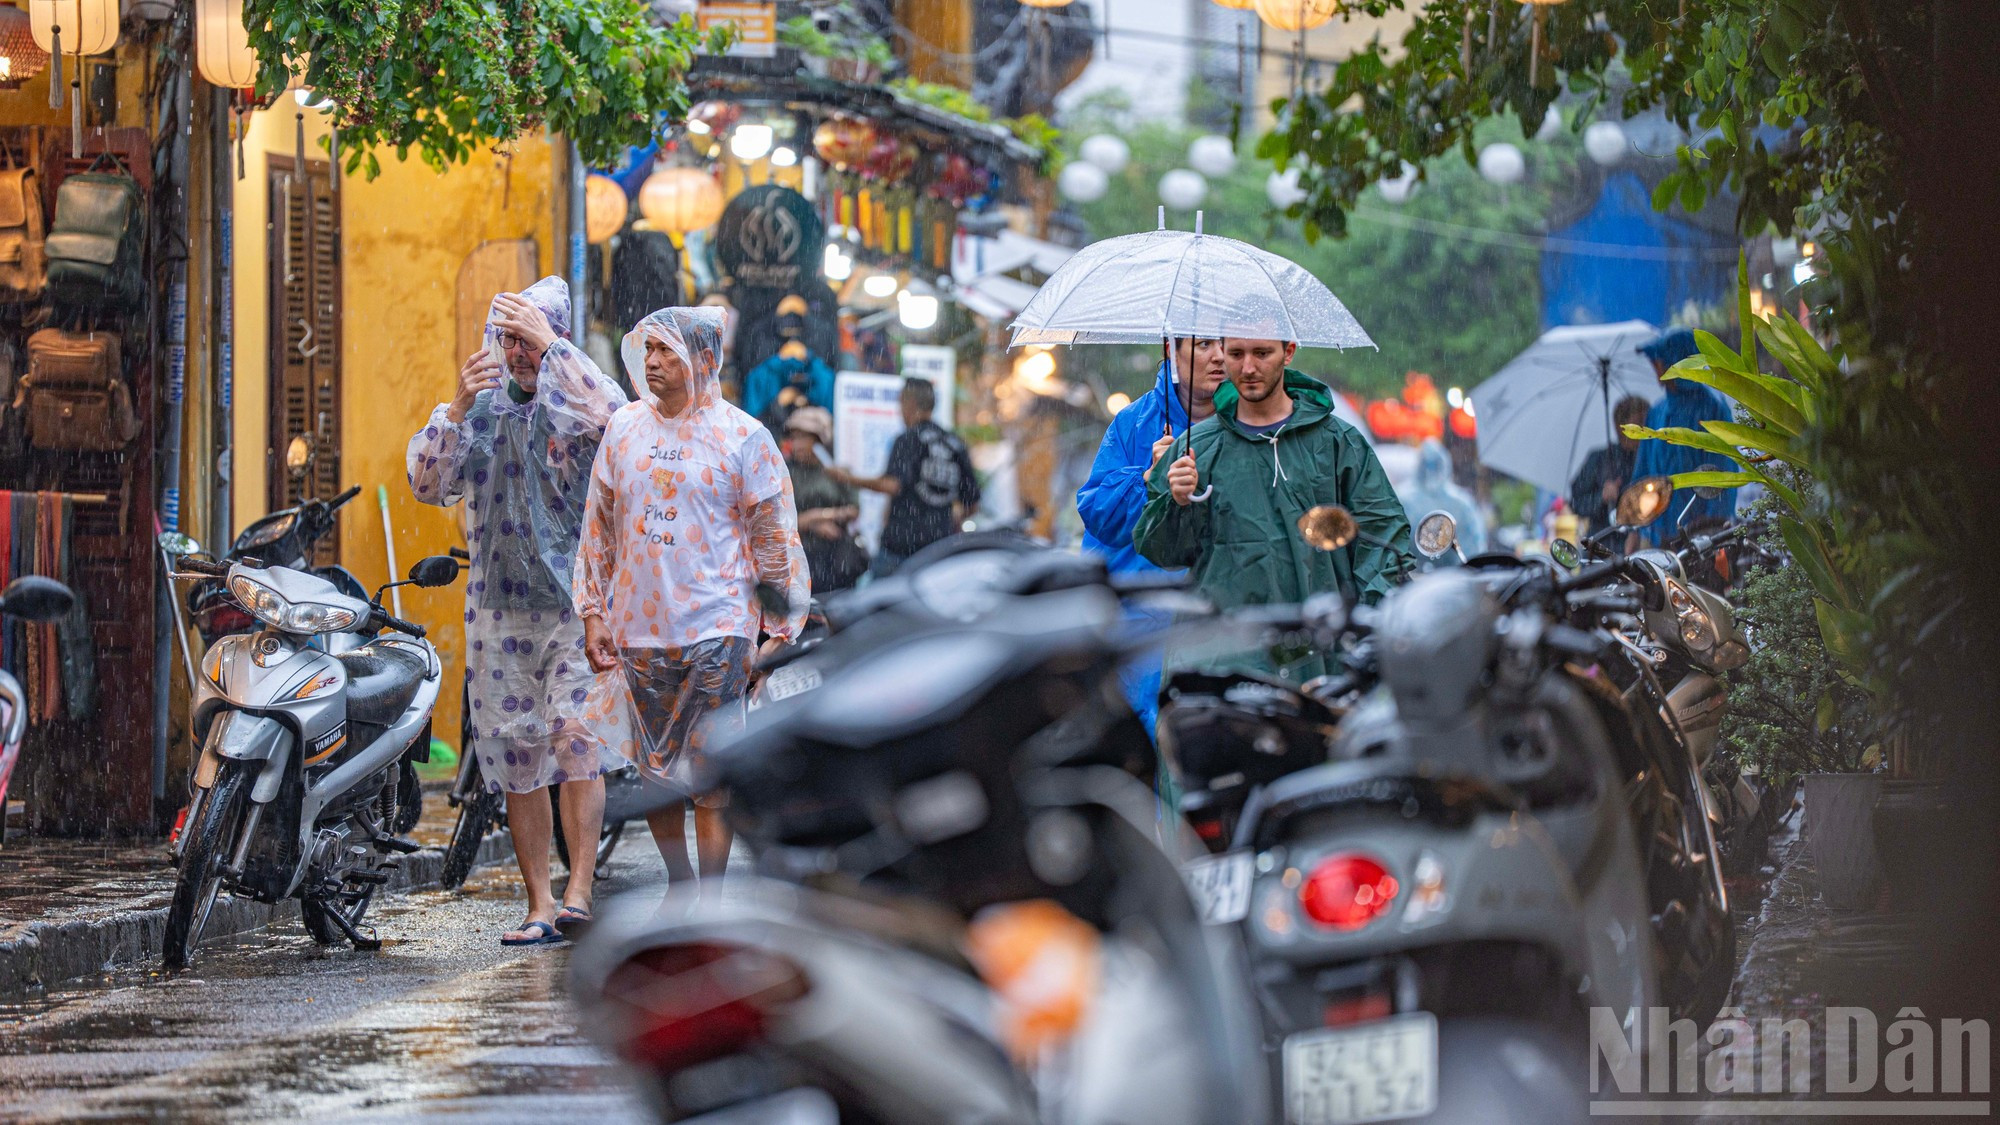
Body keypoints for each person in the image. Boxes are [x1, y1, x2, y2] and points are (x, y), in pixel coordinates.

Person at [406, 275, 631, 947]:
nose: (518, 352)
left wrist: (554, 351)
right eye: (509, 339)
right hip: (499, 616)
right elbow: (425, 482)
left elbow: (617, 420)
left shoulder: (579, 407)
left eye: (529, 339)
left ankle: (579, 889)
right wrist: (456, 401)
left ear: (556, 339)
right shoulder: (483, 412)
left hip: (576, 611)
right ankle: (538, 902)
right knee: (518, 757)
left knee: (576, 743)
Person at [573, 306, 808, 892]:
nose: (651, 362)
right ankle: (680, 889)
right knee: (657, 772)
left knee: (709, 771)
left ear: (704, 361)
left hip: (717, 626)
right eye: (647, 349)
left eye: (666, 352)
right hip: (640, 629)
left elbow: (773, 540)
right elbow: (599, 527)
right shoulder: (625, 428)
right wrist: (594, 610)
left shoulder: (743, 437)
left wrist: (776, 631)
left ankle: (712, 896)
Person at [1136, 336, 1415, 682]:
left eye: (1262, 353)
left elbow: (1384, 540)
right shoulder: (1195, 450)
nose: (1248, 367)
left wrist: (1369, 632)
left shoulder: (1338, 443)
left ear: (1289, 352)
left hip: (1322, 659)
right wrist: (1174, 502)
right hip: (1222, 662)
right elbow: (1163, 552)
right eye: (1236, 354)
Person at [1076, 338, 1226, 733]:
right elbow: (1098, 514)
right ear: (1171, 351)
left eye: (1228, 344)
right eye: (1205, 344)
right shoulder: (1134, 422)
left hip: (1214, 618)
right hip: (1140, 618)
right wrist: (1148, 478)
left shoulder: (1248, 428)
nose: (1219, 356)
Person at [831, 378, 980, 577]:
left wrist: (849, 479)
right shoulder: (955, 444)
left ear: (909, 403)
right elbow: (972, 504)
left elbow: (892, 485)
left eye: (900, 403)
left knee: (880, 605)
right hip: (937, 551)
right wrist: (942, 519)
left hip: (900, 548)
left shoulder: (908, 439)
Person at [1629, 328, 1739, 547]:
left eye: (1659, 360)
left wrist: (1714, 531)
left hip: (1701, 538)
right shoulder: (1657, 412)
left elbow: (1722, 475)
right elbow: (1643, 474)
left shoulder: (1712, 409)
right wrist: (1636, 527)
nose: (1655, 368)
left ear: (1676, 363)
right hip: (1656, 535)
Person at [783, 406, 868, 593]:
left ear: (820, 440)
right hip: (798, 559)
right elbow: (782, 522)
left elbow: (854, 509)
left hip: (837, 560)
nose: (797, 445)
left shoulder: (836, 472)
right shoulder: (785, 472)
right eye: (794, 438)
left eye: (804, 438)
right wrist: (815, 521)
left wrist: (827, 516)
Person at [1568, 395, 1650, 532]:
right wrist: (1601, 497)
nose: (1645, 430)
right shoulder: (1599, 460)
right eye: (1639, 423)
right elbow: (1577, 504)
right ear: (1621, 427)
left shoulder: (1651, 458)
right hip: (1606, 541)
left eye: (1647, 423)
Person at [1398, 439, 1488, 557]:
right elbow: (1476, 544)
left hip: (1420, 574)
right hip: (1457, 573)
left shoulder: (1403, 499)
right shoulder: (1461, 502)